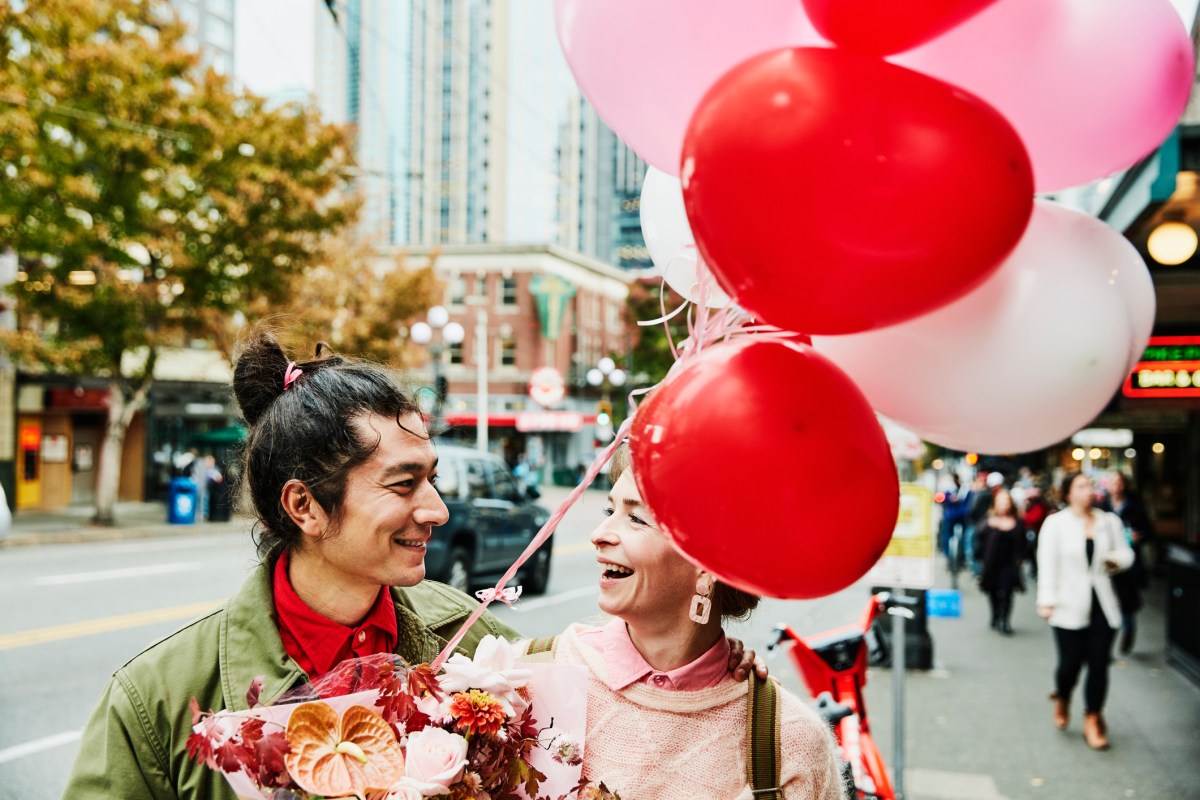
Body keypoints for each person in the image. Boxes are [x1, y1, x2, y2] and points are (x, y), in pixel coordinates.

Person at [62, 331, 522, 799]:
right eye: (404, 484)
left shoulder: (472, 640)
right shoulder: (158, 700)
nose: (438, 510)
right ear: (304, 505)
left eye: (433, 478)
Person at [522, 444, 843, 799]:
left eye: (636, 518)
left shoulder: (789, 741)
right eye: (609, 509)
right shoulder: (525, 677)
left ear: (707, 563)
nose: (599, 533)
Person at [1036, 471, 1134, 750]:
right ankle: (1063, 696)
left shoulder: (1108, 522)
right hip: (1068, 604)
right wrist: (1047, 600)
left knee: (1099, 662)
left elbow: (1127, 553)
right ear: (1068, 493)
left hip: (1103, 603)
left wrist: (1116, 560)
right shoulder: (1055, 524)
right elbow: (1047, 564)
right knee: (1070, 664)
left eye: (1089, 486)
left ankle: (1093, 717)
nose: (1088, 491)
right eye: (1080, 486)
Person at [1105, 472, 1155, 655]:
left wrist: (1138, 536)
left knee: (1127, 601)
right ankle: (1106, 642)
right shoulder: (1102, 507)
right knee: (1109, 599)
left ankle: (1128, 629)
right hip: (1108, 562)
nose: (1116, 486)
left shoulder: (1135, 507)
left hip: (1130, 563)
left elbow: (1149, 532)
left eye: (1119, 482)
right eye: (1112, 482)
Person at [976, 488, 1025, 635]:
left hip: (1009, 563)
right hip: (991, 563)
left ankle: (1005, 619)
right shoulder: (988, 520)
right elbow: (978, 536)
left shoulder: (1017, 522)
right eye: (1000, 502)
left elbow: (1022, 543)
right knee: (993, 591)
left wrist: (1020, 559)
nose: (1003, 505)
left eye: (1006, 502)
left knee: (1007, 591)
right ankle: (995, 614)